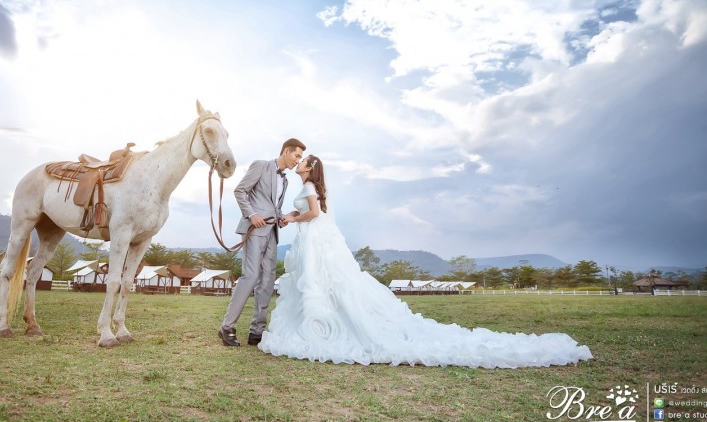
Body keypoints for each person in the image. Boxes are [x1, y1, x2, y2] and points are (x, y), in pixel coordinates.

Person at [258, 155, 593, 368]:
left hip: (317, 240)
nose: (299, 162)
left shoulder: (311, 184)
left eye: (303, 160)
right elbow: (309, 213)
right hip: (314, 239)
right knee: (323, 284)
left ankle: (332, 327)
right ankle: (320, 323)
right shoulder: (310, 185)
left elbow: (314, 214)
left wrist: (296, 218)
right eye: (298, 159)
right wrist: (290, 215)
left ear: (310, 167)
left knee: (326, 283)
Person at [218, 138, 306, 347]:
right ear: (286, 151)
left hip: (272, 232)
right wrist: (251, 214)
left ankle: (256, 331)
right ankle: (227, 327)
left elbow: (273, 205)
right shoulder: (261, 165)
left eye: (300, 157)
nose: (298, 160)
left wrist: (281, 218)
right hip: (254, 230)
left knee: (267, 280)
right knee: (251, 276)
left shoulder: (285, 180)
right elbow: (240, 191)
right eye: (297, 155)